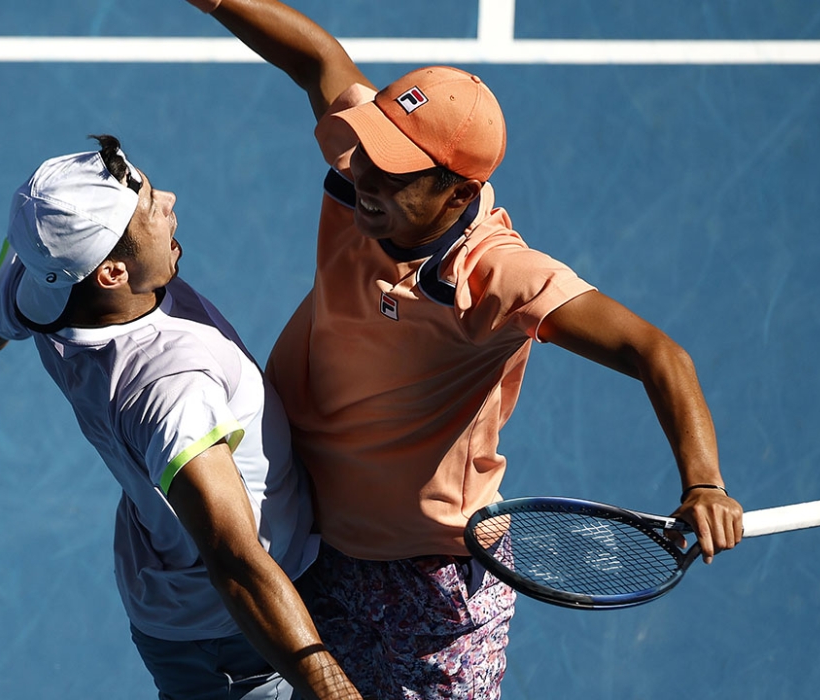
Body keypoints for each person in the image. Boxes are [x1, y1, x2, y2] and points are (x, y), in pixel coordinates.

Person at [186, 1, 746, 698]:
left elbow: (657, 352)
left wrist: (703, 481)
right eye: (369, 149)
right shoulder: (363, 175)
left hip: (430, 583)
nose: (363, 174)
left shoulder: (498, 274)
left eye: (395, 172)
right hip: (307, 539)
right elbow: (320, 61)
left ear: (458, 192)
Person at [0, 134, 362, 700]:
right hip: (232, 638)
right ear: (112, 274)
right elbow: (236, 562)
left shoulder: (47, 291)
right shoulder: (171, 392)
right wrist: (335, 693)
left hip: (175, 593)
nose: (170, 200)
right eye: (151, 208)